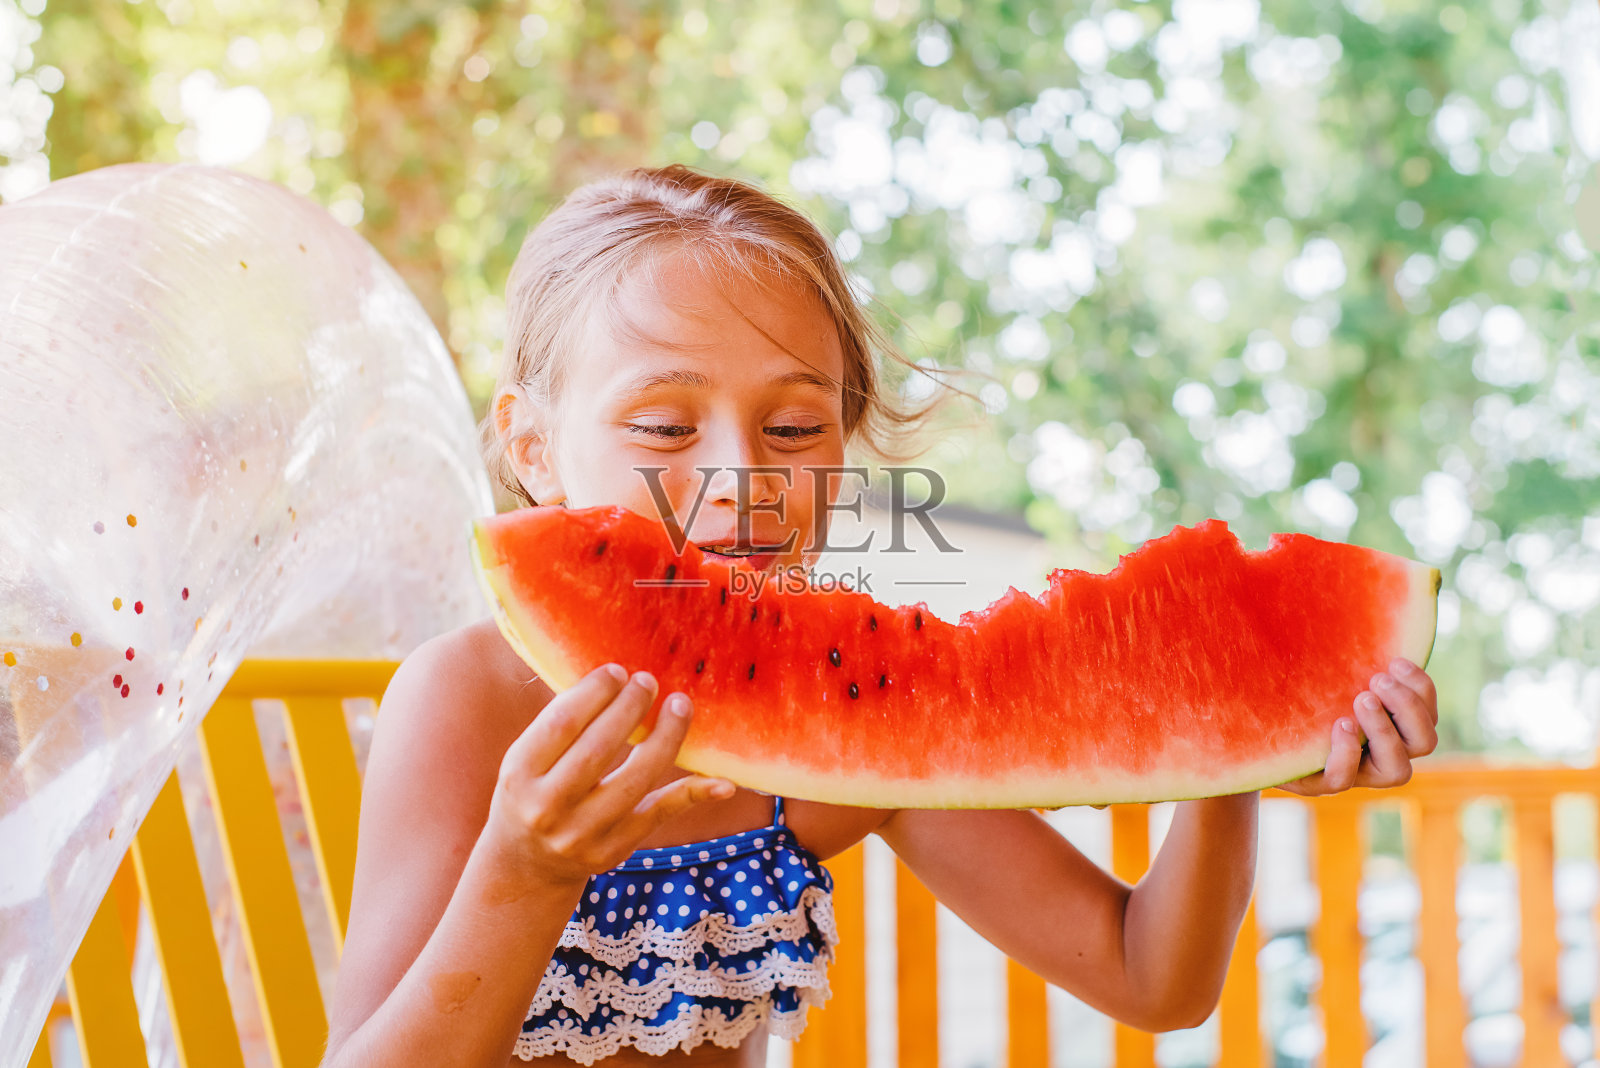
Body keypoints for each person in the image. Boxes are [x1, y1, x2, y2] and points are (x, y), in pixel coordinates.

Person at [321, 165, 1438, 1068]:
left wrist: (1231, 738)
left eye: (794, 431)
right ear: (531, 449)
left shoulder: (842, 734)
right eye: (662, 429)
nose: (738, 477)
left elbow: (1150, 978)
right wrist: (524, 871)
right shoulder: (466, 705)